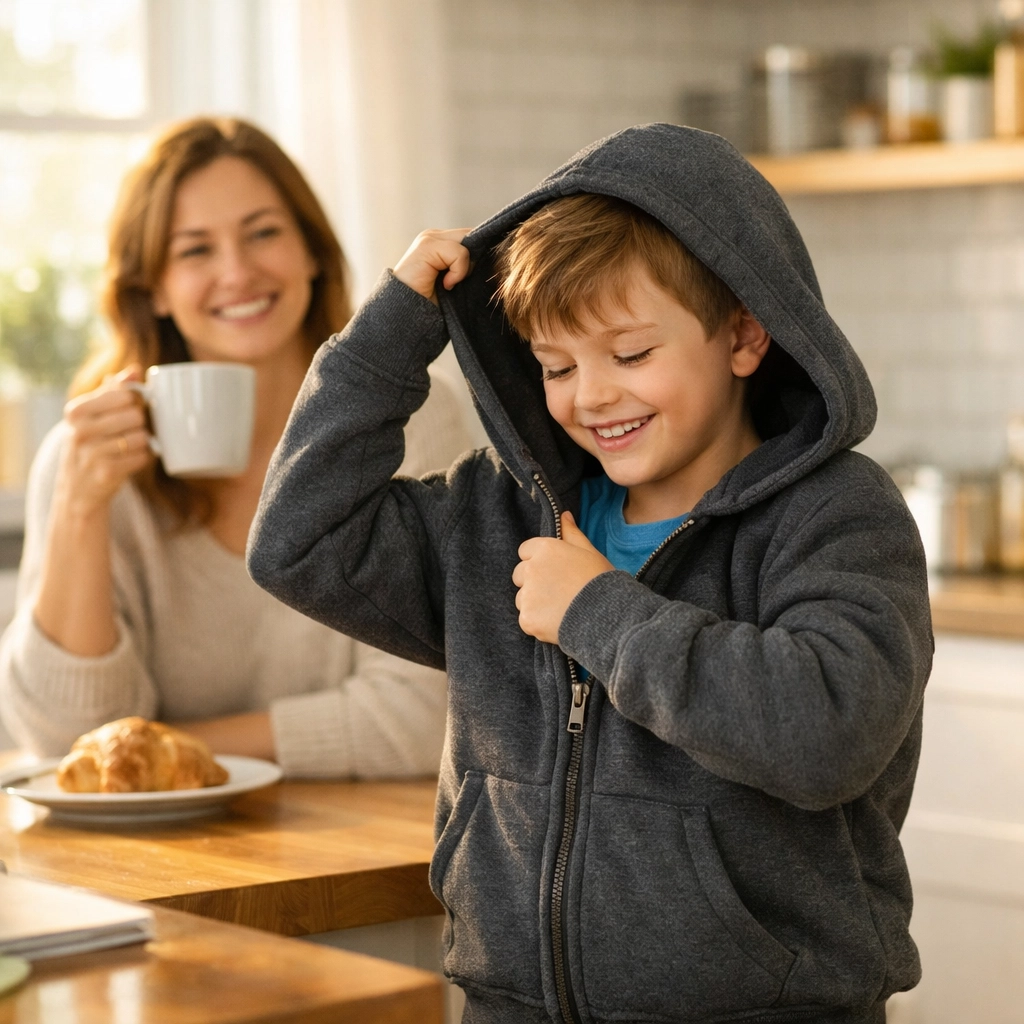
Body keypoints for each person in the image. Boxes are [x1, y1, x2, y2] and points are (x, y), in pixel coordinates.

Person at [247, 124, 932, 1023]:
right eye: (556, 365)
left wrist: (598, 613)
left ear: (744, 335)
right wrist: (394, 329)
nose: (590, 395)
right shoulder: (493, 516)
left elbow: (826, 731)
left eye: (631, 354)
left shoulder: (835, 515)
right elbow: (297, 540)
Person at [0, 117, 471, 778]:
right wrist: (81, 508)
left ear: (312, 251)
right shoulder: (87, 457)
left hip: (363, 848)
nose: (238, 272)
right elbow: (64, 741)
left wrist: (165, 748)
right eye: (194, 250)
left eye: (264, 233)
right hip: (157, 862)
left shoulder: (414, 418)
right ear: (154, 289)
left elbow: (426, 720)